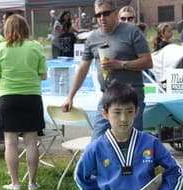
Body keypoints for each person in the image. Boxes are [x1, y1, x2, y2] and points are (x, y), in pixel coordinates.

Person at [62, 0, 152, 140]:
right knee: (97, 143)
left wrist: (120, 64)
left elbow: (148, 62)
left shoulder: (132, 32)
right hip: (108, 97)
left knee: (131, 145)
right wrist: (70, 97)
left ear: (115, 13)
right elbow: (83, 68)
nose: (102, 18)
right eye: (98, 15)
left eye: (106, 13)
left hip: (132, 97)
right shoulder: (93, 38)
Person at [0, 14, 47, 190]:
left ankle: (15, 183)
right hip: (32, 98)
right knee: (31, 142)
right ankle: (32, 183)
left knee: (10, 142)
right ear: (26, 28)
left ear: (6, 29)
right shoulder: (36, 46)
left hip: (7, 98)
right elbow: (43, 75)